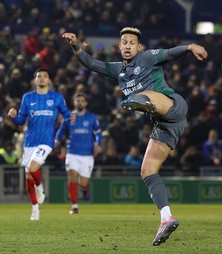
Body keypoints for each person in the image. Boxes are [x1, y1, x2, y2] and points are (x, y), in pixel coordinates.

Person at [62, 27, 208, 246]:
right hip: (164, 125)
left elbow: (169, 53)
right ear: (119, 46)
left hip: (172, 106)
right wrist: (75, 46)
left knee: (144, 96)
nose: (128, 45)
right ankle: (166, 218)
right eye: (124, 42)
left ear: (139, 47)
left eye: (132, 42)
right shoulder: (117, 70)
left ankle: (141, 101)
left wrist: (189, 47)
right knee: (147, 171)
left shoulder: (148, 58)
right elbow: (92, 64)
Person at [7, 68, 74, 221]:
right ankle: (35, 208)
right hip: (30, 141)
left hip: (47, 141)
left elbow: (65, 114)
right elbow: (21, 121)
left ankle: (39, 186)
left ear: (49, 80)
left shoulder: (57, 97)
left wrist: (71, 117)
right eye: (39, 76)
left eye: (45, 76)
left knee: (32, 167)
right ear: (35, 80)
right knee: (29, 176)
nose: (42, 79)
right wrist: (14, 116)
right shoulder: (27, 98)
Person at [55, 93, 102, 215]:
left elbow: (98, 133)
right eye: (78, 101)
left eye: (82, 101)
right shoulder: (69, 117)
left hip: (87, 154)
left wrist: (98, 144)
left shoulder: (92, 118)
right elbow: (61, 131)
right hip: (72, 152)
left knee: (83, 183)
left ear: (86, 103)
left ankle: (85, 190)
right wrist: (56, 141)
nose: (80, 103)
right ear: (74, 102)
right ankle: (74, 207)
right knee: (72, 176)